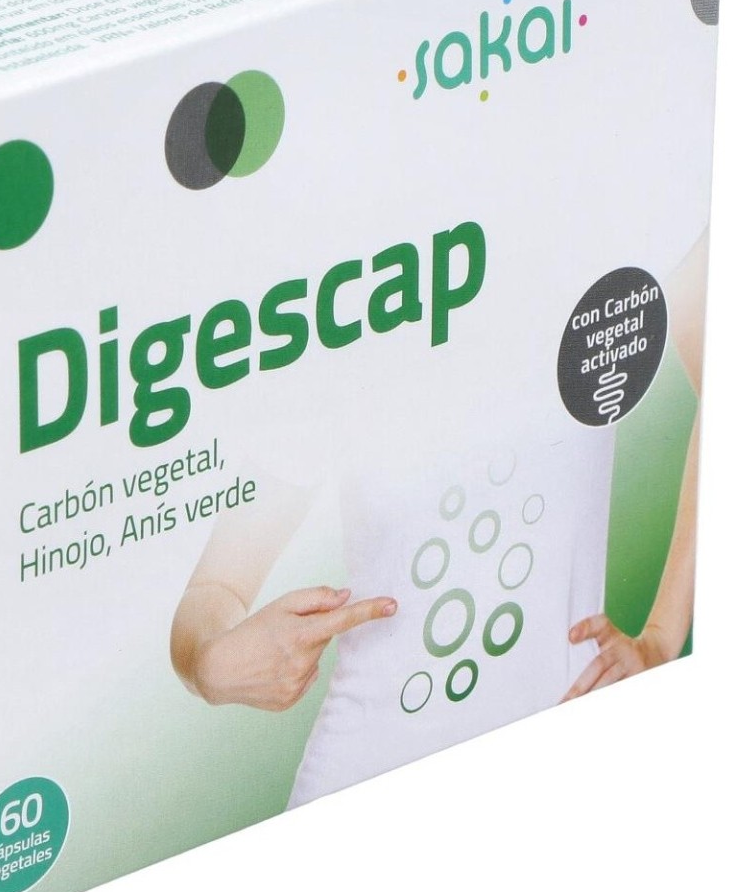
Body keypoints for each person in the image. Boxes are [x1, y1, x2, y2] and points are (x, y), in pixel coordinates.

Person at [170, 234, 706, 807]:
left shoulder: (616, 206)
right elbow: (215, 588)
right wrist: (209, 665)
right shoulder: (339, 289)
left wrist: (662, 638)